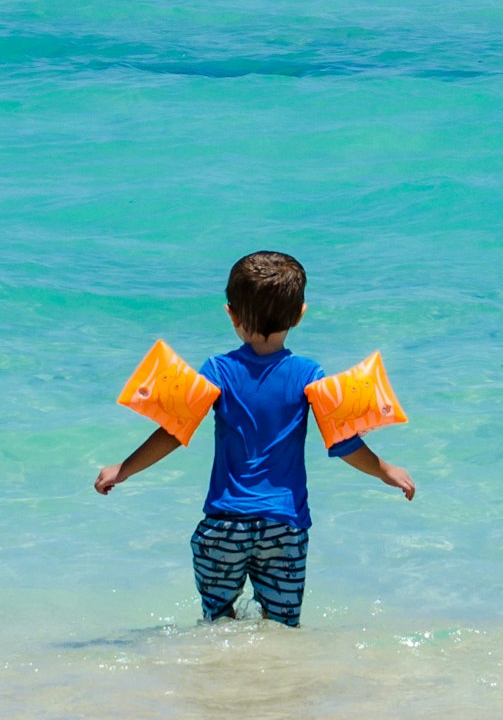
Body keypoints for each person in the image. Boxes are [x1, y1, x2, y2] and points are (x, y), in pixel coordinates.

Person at [93, 251, 415, 627]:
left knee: (218, 625)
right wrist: (385, 471)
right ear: (299, 315)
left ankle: (222, 678)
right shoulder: (308, 374)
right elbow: (344, 443)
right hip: (285, 527)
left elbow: (173, 431)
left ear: (231, 314)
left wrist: (124, 469)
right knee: (281, 626)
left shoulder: (218, 370)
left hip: (223, 527)